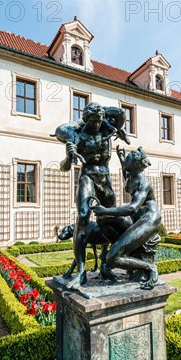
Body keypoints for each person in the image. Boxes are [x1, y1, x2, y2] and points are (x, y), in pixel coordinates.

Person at [53, 102, 129, 289]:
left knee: (112, 219)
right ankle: (80, 272)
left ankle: (106, 264)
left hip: (105, 179)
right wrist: (70, 156)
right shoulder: (77, 135)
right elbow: (64, 167)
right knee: (83, 217)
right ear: (86, 120)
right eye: (93, 122)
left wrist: (99, 111)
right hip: (87, 176)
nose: (97, 126)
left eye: (99, 121)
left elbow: (120, 113)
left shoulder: (107, 129)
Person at [92, 146, 161, 289]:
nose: (125, 163)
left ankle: (149, 267)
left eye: (128, 160)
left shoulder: (144, 183)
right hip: (136, 218)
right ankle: (122, 249)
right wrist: (121, 158)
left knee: (113, 258)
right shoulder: (132, 175)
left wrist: (105, 210)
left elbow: (132, 208)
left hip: (149, 219)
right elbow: (126, 174)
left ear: (135, 165)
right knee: (103, 220)